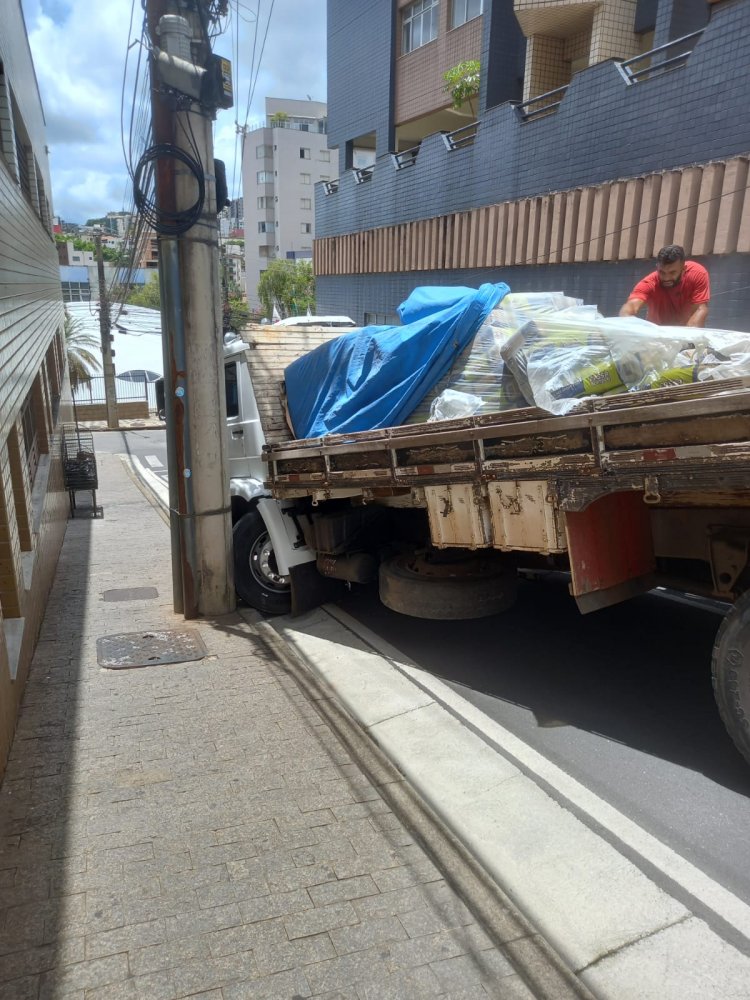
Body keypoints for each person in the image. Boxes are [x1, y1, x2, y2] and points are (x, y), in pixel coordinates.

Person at [619, 245, 710, 327]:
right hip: (657, 333)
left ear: (683, 269)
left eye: (672, 272)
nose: (666, 278)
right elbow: (630, 307)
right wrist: (626, 319)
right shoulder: (649, 283)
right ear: (657, 267)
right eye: (662, 272)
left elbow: (699, 309)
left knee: (701, 311)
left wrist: (689, 339)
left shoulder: (697, 274)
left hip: (685, 330)